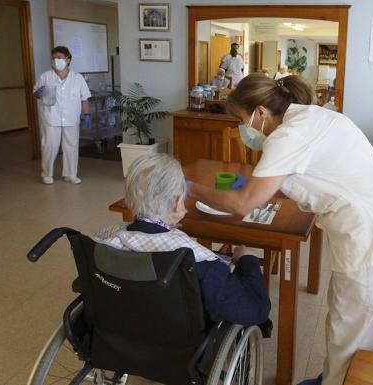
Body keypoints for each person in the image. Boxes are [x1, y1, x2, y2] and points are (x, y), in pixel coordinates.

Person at [186, 74, 373, 385]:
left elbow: (243, 204)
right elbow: (301, 176)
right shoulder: (312, 116)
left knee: (348, 329)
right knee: (365, 323)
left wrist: (192, 189)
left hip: (369, 231)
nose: (241, 128)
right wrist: (259, 187)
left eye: (240, 119)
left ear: (260, 112)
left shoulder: (288, 136)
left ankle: (341, 379)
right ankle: (339, 377)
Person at [94, 153, 271, 326]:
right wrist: (248, 260)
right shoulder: (194, 260)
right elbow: (257, 310)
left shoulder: (100, 242)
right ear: (178, 202)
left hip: (121, 332)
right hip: (178, 342)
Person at [34, 46, 91, 185]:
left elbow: (85, 99)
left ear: (68, 59)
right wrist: (39, 92)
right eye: (53, 58)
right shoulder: (45, 76)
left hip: (71, 119)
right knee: (49, 146)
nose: (55, 60)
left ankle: (70, 174)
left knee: (71, 146)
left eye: (59, 57)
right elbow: (36, 93)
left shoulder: (77, 78)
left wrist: (87, 115)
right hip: (50, 118)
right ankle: (47, 174)